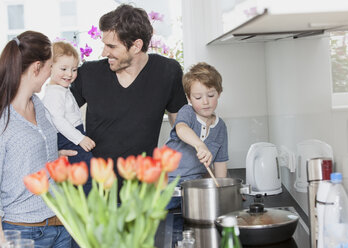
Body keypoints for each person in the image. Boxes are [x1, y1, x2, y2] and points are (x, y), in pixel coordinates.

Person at [70, 4, 187, 184]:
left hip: (143, 190)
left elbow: (181, 125)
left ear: (136, 46)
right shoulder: (88, 73)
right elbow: (54, 113)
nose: (104, 52)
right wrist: (60, 147)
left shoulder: (167, 72)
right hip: (96, 189)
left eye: (112, 46)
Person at [0, 31, 71, 247]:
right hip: (23, 232)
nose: (52, 73)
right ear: (37, 67)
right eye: (50, 66)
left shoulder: (39, 106)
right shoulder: (3, 121)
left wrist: (55, 157)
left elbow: (28, 155)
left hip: (61, 225)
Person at [166, 62, 229, 209]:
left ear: (219, 93)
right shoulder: (187, 113)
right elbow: (181, 128)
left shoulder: (221, 127)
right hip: (167, 186)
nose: (205, 102)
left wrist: (223, 191)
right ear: (189, 98)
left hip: (195, 189)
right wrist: (200, 145)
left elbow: (220, 164)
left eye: (211, 95)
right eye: (198, 97)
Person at [43, 41, 94, 194]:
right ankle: (85, 202)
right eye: (63, 69)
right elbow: (58, 120)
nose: (69, 74)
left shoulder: (61, 89)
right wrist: (79, 138)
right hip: (68, 136)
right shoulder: (54, 93)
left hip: (73, 133)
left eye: (74, 69)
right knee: (85, 170)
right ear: (50, 67)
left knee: (86, 170)